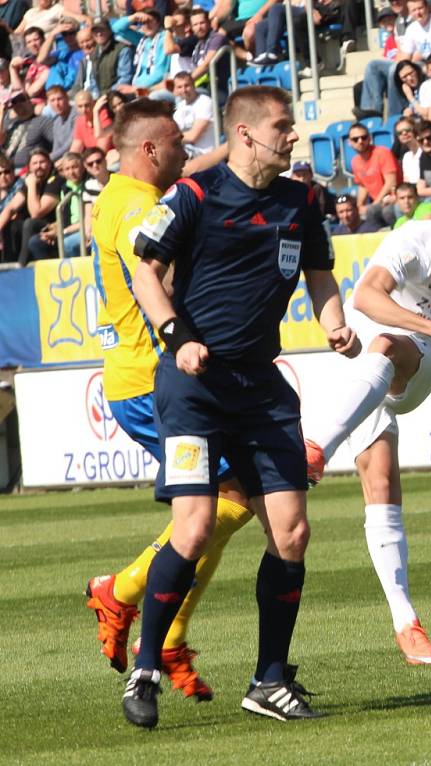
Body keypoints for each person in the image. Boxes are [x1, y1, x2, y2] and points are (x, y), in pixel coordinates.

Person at [121, 86, 358, 729]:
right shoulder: (195, 196)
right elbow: (144, 271)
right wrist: (176, 334)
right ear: (246, 134)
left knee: (293, 533)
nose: (292, 137)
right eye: (282, 127)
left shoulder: (303, 201)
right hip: (194, 387)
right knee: (195, 529)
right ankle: (144, 668)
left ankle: (270, 679)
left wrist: (334, 322)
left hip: (261, 390)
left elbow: (318, 274)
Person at [304, 184, 431, 665]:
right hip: (370, 376)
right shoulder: (411, 244)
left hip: (417, 365)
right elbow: (365, 296)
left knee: (387, 347)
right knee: (381, 488)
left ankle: (314, 447)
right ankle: (407, 626)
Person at [85, 103, 239, 706]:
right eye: (178, 142)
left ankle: (168, 630)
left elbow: (183, 177)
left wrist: (231, 153)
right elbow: (161, 278)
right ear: (151, 150)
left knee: (220, 508)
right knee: (226, 502)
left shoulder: (120, 193)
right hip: (154, 382)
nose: (185, 149)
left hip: (147, 378)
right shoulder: (137, 211)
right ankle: (123, 594)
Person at [349, 122, 402, 228]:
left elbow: (391, 182)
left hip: (394, 199)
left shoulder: (382, 153)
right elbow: (363, 186)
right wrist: (359, 206)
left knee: (374, 212)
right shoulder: (355, 162)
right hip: (379, 203)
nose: (360, 141)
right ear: (350, 143)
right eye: (356, 139)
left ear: (369, 138)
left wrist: (374, 204)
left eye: (364, 137)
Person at [173, 71, 215, 157]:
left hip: (203, 155)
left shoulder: (205, 102)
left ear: (194, 85)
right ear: (176, 89)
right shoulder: (180, 106)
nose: (184, 90)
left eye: (187, 86)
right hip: (185, 151)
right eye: (179, 87)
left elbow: (193, 136)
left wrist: (169, 139)